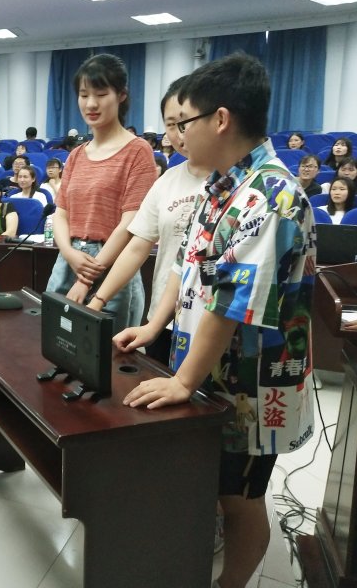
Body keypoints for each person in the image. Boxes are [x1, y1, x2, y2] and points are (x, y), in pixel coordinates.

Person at [116, 53, 315, 588]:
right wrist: (154, 328)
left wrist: (183, 381)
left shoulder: (270, 196)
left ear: (220, 119)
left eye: (185, 122)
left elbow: (231, 304)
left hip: (250, 386)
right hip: (209, 370)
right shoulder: (223, 185)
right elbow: (187, 269)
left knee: (240, 498)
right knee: (214, 485)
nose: (178, 135)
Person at [87, 76, 211, 364]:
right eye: (171, 125)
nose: (180, 135)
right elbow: (137, 246)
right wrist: (98, 300)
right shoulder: (167, 180)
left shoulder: (233, 183)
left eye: (185, 123)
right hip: (162, 320)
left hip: (209, 321)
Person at [46, 53, 156, 333]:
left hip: (112, 265)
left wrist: (86, 279)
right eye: (84, 95)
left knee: (107, 353)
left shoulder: (137, 151)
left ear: (121, 95)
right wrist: (69, 252)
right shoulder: (76, 155)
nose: (91, 103)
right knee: (58, 343)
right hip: (69, 261)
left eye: (101, 94)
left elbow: (130, 223)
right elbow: (61, 213)